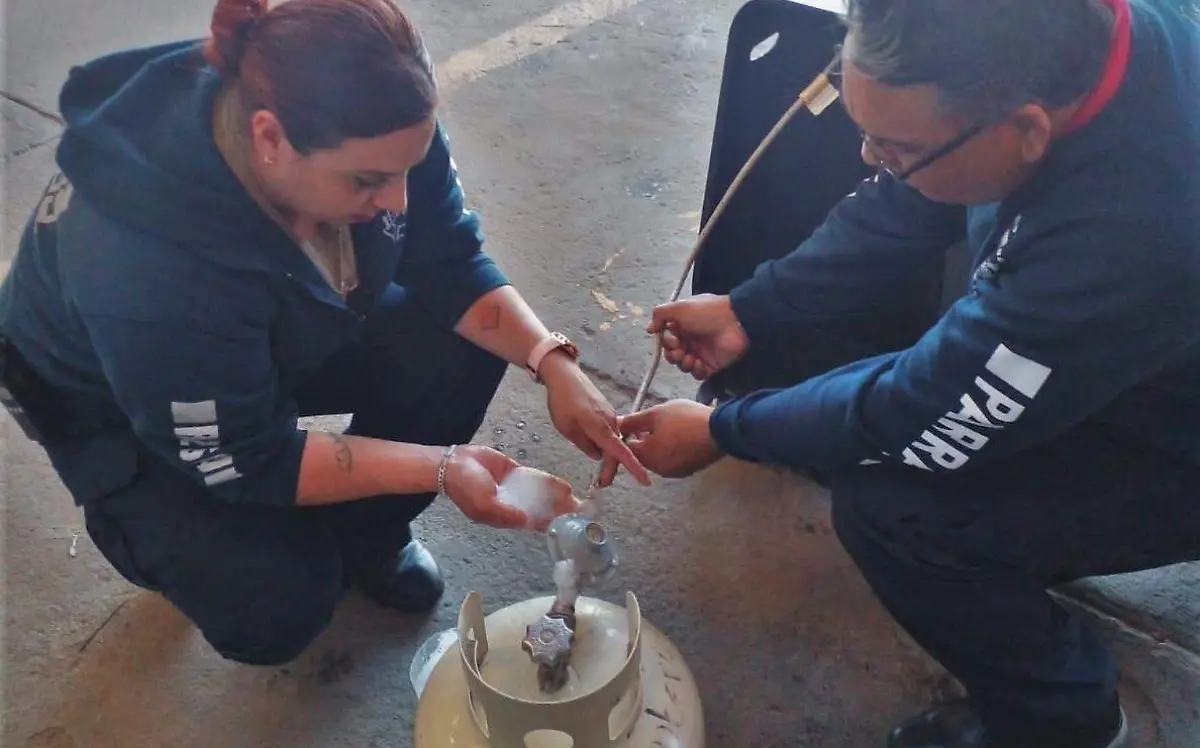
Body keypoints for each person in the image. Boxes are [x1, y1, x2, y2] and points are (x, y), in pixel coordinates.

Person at [601, 1, 1200, 746]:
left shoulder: (1129, 234)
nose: (868, 159)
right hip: (1127, 353)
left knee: (897, 507)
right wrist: (754, 308)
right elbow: (910, 200)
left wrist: (727, 429)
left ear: (1027, 129)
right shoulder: (1064, 47)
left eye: (894, 144)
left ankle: (1063, 718)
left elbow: (918, 408)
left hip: (1174, 441)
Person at [0, 0, 650, 667]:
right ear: (269, 139)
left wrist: (552, 361)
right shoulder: (149, 273)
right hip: (115, 399)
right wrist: (443, 466)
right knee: (277, 603)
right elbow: (248, 455)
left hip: (257, 324)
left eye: (407, 168)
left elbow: (446, 255)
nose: (397, 200)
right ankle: (146, 532)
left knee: (457, 339)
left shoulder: (375, 124)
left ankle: (369, 536)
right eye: (369, 181)